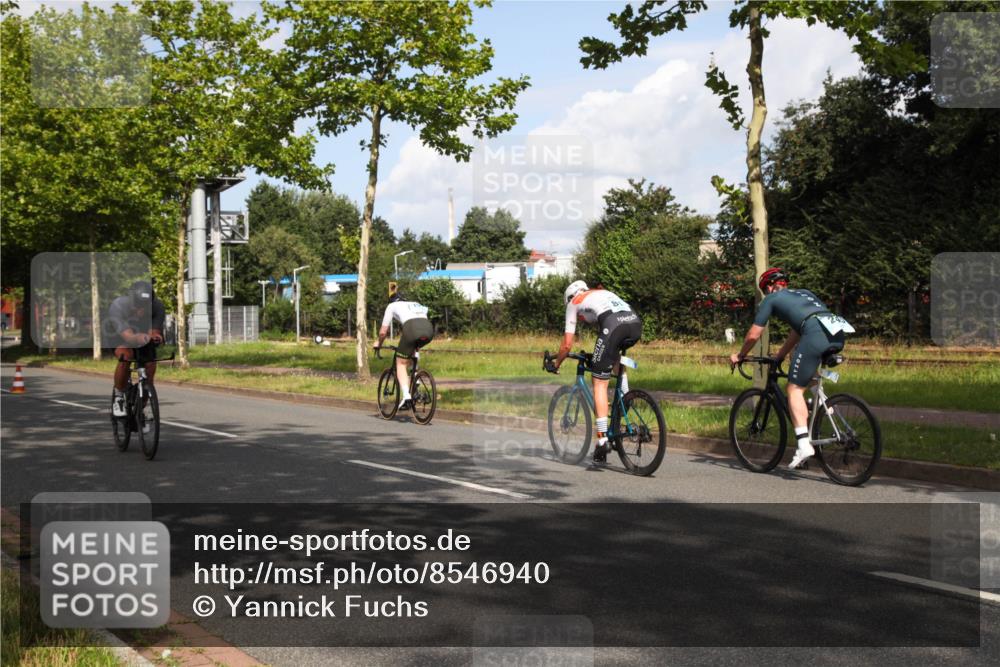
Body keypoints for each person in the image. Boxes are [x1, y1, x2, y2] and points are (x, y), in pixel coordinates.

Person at [730, 268, 854, 469]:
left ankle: (804, 445)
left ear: (770, 287)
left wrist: (740, 355)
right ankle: (828, 415)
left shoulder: (771, 299)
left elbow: (754, 334)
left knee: (794, 389)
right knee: (809, 378)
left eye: (765, 290)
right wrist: (779, 356)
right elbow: (797, 332)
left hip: (815, 334)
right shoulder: (805, 293)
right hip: (837, 332)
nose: (766, 294)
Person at [551, 280, 642, 464]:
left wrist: (557, 363)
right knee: (613, 358)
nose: (581, 319)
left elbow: (567, 345)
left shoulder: (574, 302)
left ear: (570, 297)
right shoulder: (600, 294)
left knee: (599, 383)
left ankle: (602, 440)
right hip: (635, 323)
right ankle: (626, 398)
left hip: (615, 326)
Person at [108, 280, 165, 420]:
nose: (141, 311)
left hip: (143, 334)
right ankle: (119, 397)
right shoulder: (118, 306)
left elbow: (154, 331)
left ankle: (141, 407)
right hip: (119, 336)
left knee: (150, 365)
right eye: (138, 306)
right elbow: (129, 337)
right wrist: (140, 337)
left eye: (145, 306)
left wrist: (156, 337)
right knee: (126, 356)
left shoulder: (157, 306)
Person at [374, 288, 435, 410]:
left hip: (411, 329)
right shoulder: (416, 304)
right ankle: (415, 378)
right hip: (428, 329)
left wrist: (379, 343)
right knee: (412, 351)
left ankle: (406, 397)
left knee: (400, 363)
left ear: (392, 300)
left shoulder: (391, 306)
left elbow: (383, 332)